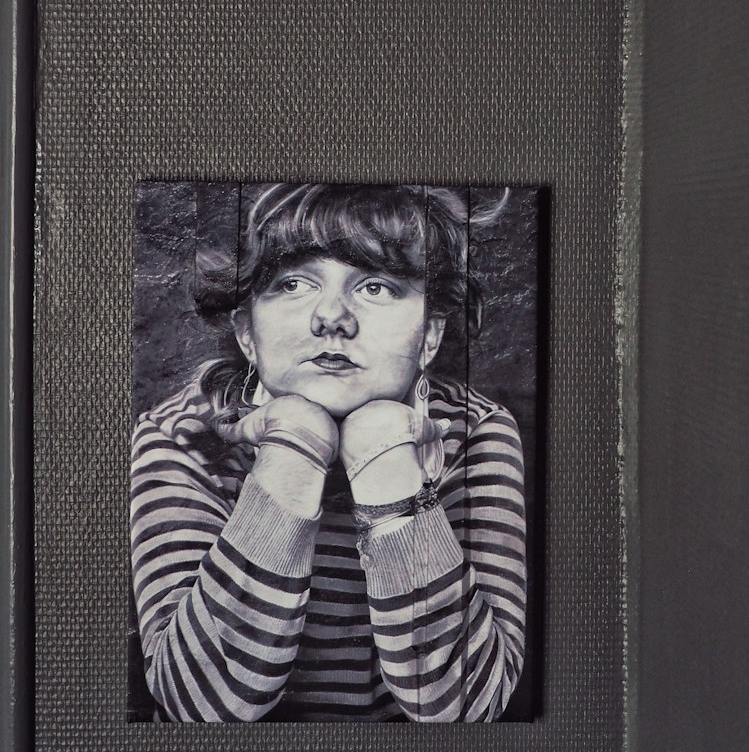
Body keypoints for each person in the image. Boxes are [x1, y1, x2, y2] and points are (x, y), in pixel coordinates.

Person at [129, 183, 527, 722]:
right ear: (246, 331)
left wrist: (385, 462)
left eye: (376, 287)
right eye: (293, 284)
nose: (332, 318)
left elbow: (467, 709)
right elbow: (199, 708)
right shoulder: (182, 436)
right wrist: (294, 447)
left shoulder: (477, 433)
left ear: (430, 335)